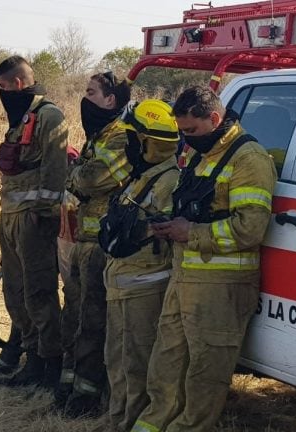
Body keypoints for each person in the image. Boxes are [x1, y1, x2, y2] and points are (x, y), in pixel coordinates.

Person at [131, 86, 277, 431]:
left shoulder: (249, 160)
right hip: (184, 278)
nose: (185, 139)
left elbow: (250, 228)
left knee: (204, 374)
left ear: (214, 119)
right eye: (181, 132)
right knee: (165, 365)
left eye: (191, 131)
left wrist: (190, 232)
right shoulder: (202, 154)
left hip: (221, 286)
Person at [101, 99, 180, 431]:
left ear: (150, 143)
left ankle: (132, 422)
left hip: (145, 286)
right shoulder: (142, 176)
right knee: (115, 358)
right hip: (121, 282)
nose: (129, 145)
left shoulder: (169, 182)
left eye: (134, 138)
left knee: (137, 362)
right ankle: (117, 417)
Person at [59, 71, 132, 417]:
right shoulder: (97, 137)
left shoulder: (121, 138)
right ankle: (68, 383)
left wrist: (74, 175)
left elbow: (89, 178)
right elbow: (79, 177)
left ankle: (87, 397)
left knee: (92, 321)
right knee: (72, 316)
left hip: (102, 246)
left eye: (91, 93)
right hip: (82, 243)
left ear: (110, 100)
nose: (85, 99)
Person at [0, 56, 67, 389]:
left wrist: (47, 214)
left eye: (4, 87)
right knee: (15, 291)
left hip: (34, 220)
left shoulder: (49, 116)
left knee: (39, 293)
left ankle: (47, 362)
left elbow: (56, 169)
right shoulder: (22, 118)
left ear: (19, 84)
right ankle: (27, 351)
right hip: (10, 215)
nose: (2, 93)